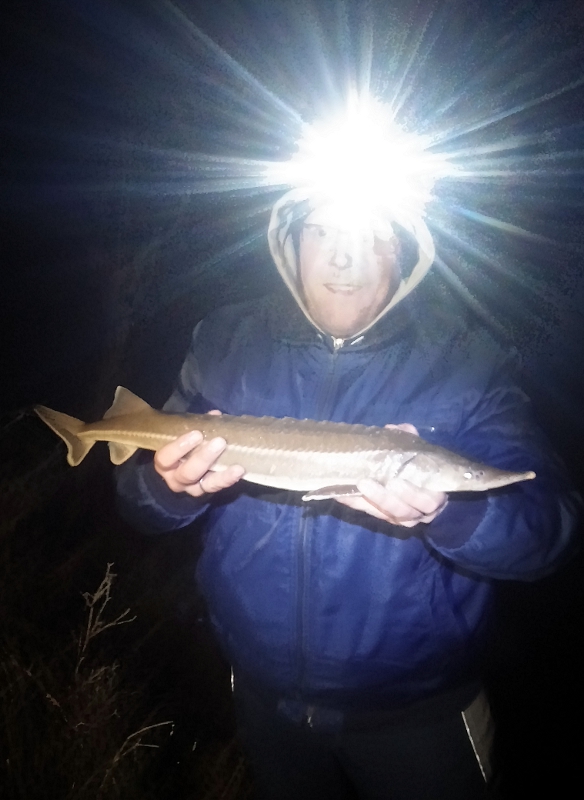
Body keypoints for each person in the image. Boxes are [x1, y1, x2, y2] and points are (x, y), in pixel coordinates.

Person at [115, 190, 579, 800]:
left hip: (420, 715)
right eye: (323, 233)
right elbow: (138, 503)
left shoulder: (469, 359)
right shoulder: (226, 338)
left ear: (402, 251)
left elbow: (551, 531)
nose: (342, 258)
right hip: (261, 699)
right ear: (291, 245)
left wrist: (453, 515)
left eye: (370, 236)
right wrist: (168, 488)